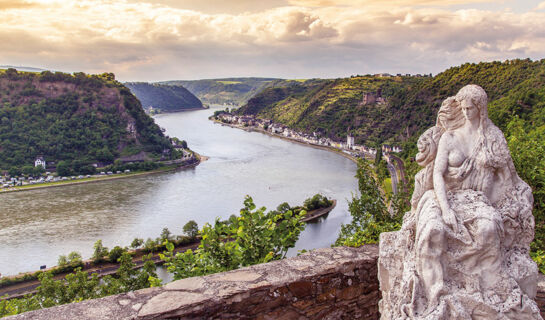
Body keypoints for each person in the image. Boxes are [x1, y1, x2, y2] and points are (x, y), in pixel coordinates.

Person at [380, 85, 540, 319]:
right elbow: (437, 175)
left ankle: (482, 290)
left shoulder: (492, 138)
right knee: (433, 230)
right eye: (462, 108)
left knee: (488, 229)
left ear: (480, 109)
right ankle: (435, 297)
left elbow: (507, 177)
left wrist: (511, 203)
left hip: (476, 201)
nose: (465, 113)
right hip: (443, 197)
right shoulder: (450, 137)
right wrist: (446, 210)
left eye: (470, 108)